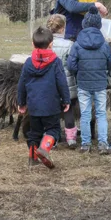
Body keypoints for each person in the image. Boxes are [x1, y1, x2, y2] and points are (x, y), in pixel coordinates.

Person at [17, 27, 70, 169]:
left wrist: (21, 102)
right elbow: (62, 82)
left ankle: (33, 158)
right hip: (51, 104)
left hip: (34, 105)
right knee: (53, 130)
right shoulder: (56, 62)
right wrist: (66, 100)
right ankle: (44, 149)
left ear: (33, 44)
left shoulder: (28, 62)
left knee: (34, 132)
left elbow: (22, 83)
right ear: (51, 44)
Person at [68, 6, 111, 154]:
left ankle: (86, 144)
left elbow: (71, 65)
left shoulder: (77, 44)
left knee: (85, 114)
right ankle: (102, 144)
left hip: (83, 83)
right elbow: (110, 63)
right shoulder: (105, 45)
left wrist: (78, 74)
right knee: (101, 114)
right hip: (100, 83)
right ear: (99, 25)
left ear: (84, 24)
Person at [46, 14, 80, 148]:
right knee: (68, 110)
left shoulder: (46, 44)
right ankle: (71, 139)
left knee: (53, 112)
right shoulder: (70, 44)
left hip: (50, 83)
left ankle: (52, 139)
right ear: (62, 28)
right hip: (67, 83)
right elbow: (72, 65)